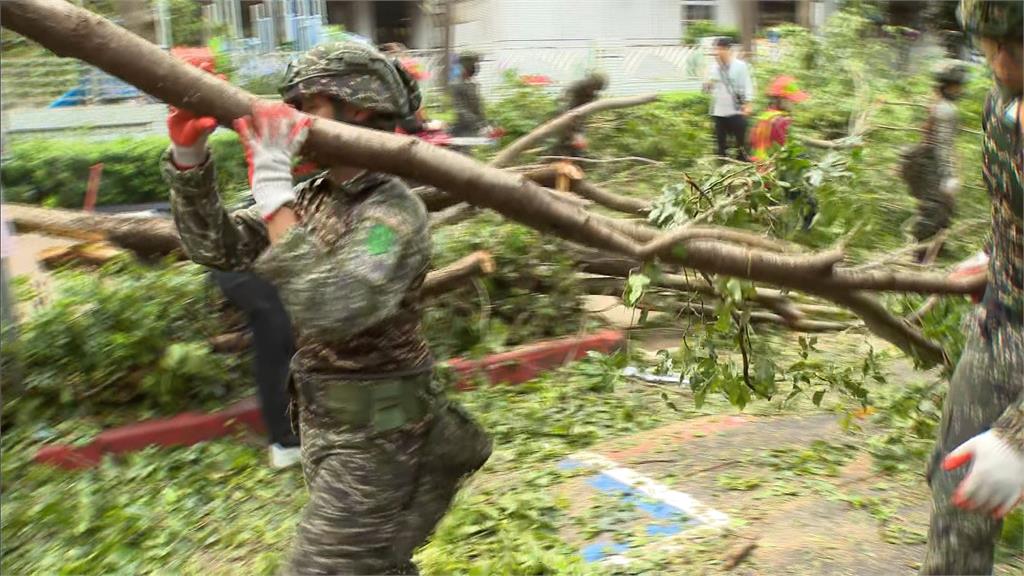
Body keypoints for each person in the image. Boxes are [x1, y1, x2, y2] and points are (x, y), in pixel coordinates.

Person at [162, 40, 492, 574]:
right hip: (324, 422)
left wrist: (272, 190)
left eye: (307, 107)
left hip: (381, 435)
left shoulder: (393, 214)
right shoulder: (313, 196)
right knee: (377, 565)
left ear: (356, 109)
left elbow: (334, 308)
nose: (293, 119)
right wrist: (188, 158)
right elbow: (216, 247)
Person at [920, 2, 1023, 574]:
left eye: (1020, 44)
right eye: (991, 43)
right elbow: (1009, 205)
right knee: (958, 489)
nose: (1004, 62)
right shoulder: (999, 105)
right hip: (1002, 324)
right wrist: (999, 252)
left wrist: (1019, 437)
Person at [901, 61, 966, 262]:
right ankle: (920, 262)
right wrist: (949, 176)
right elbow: (943, 146)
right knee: (934, 214)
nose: (960, 89)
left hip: (928, 165)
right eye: (957, 85)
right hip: (932, 167)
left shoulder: (937, 104)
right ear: (948, 86)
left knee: (939, 214)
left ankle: (929, 259)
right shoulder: (946, 109)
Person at [750, 75, 817, 230]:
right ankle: (802, 235)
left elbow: (753, 142)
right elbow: (788, 151)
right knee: (811, 205)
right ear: (781, 100)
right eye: (791, 100)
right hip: (777, 173)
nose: (794, 104)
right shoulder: (781, 121)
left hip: (759, 171)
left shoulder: (764, 117)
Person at [704, 37, 754, 161]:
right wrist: (708, 84)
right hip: (719, 111)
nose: (716, 52)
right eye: (715, 49)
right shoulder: (713, 68)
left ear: (727, 49)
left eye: (719, 49)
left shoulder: (740, 66)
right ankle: (722, 168)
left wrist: (748, 104)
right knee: (721, 146)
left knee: (740, 145)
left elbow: (748, 85)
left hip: (736, 111)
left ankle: (742, 166)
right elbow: (707, 88)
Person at [550, 71, 607, 158]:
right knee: (562, 143)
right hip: (564, 118)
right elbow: (561, 103)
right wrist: (570, 125)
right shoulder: (574, 88)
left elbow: (586, 114)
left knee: (578, 146)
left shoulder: (593, 95)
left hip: (579, 120)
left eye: (596, 89)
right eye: (592, 87)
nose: (592, 91)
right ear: (589, 82)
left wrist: (579, 132)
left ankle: (577, 158)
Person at [449, 51, 487, 138]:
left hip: (475, 129)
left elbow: (478, 106)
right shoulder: (456, 84)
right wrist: (476, 123)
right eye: (473, 64)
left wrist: (484, 123)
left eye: (476, 64)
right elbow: (460, 110)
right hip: (464, 130)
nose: (476, 67)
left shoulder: (473, 83)